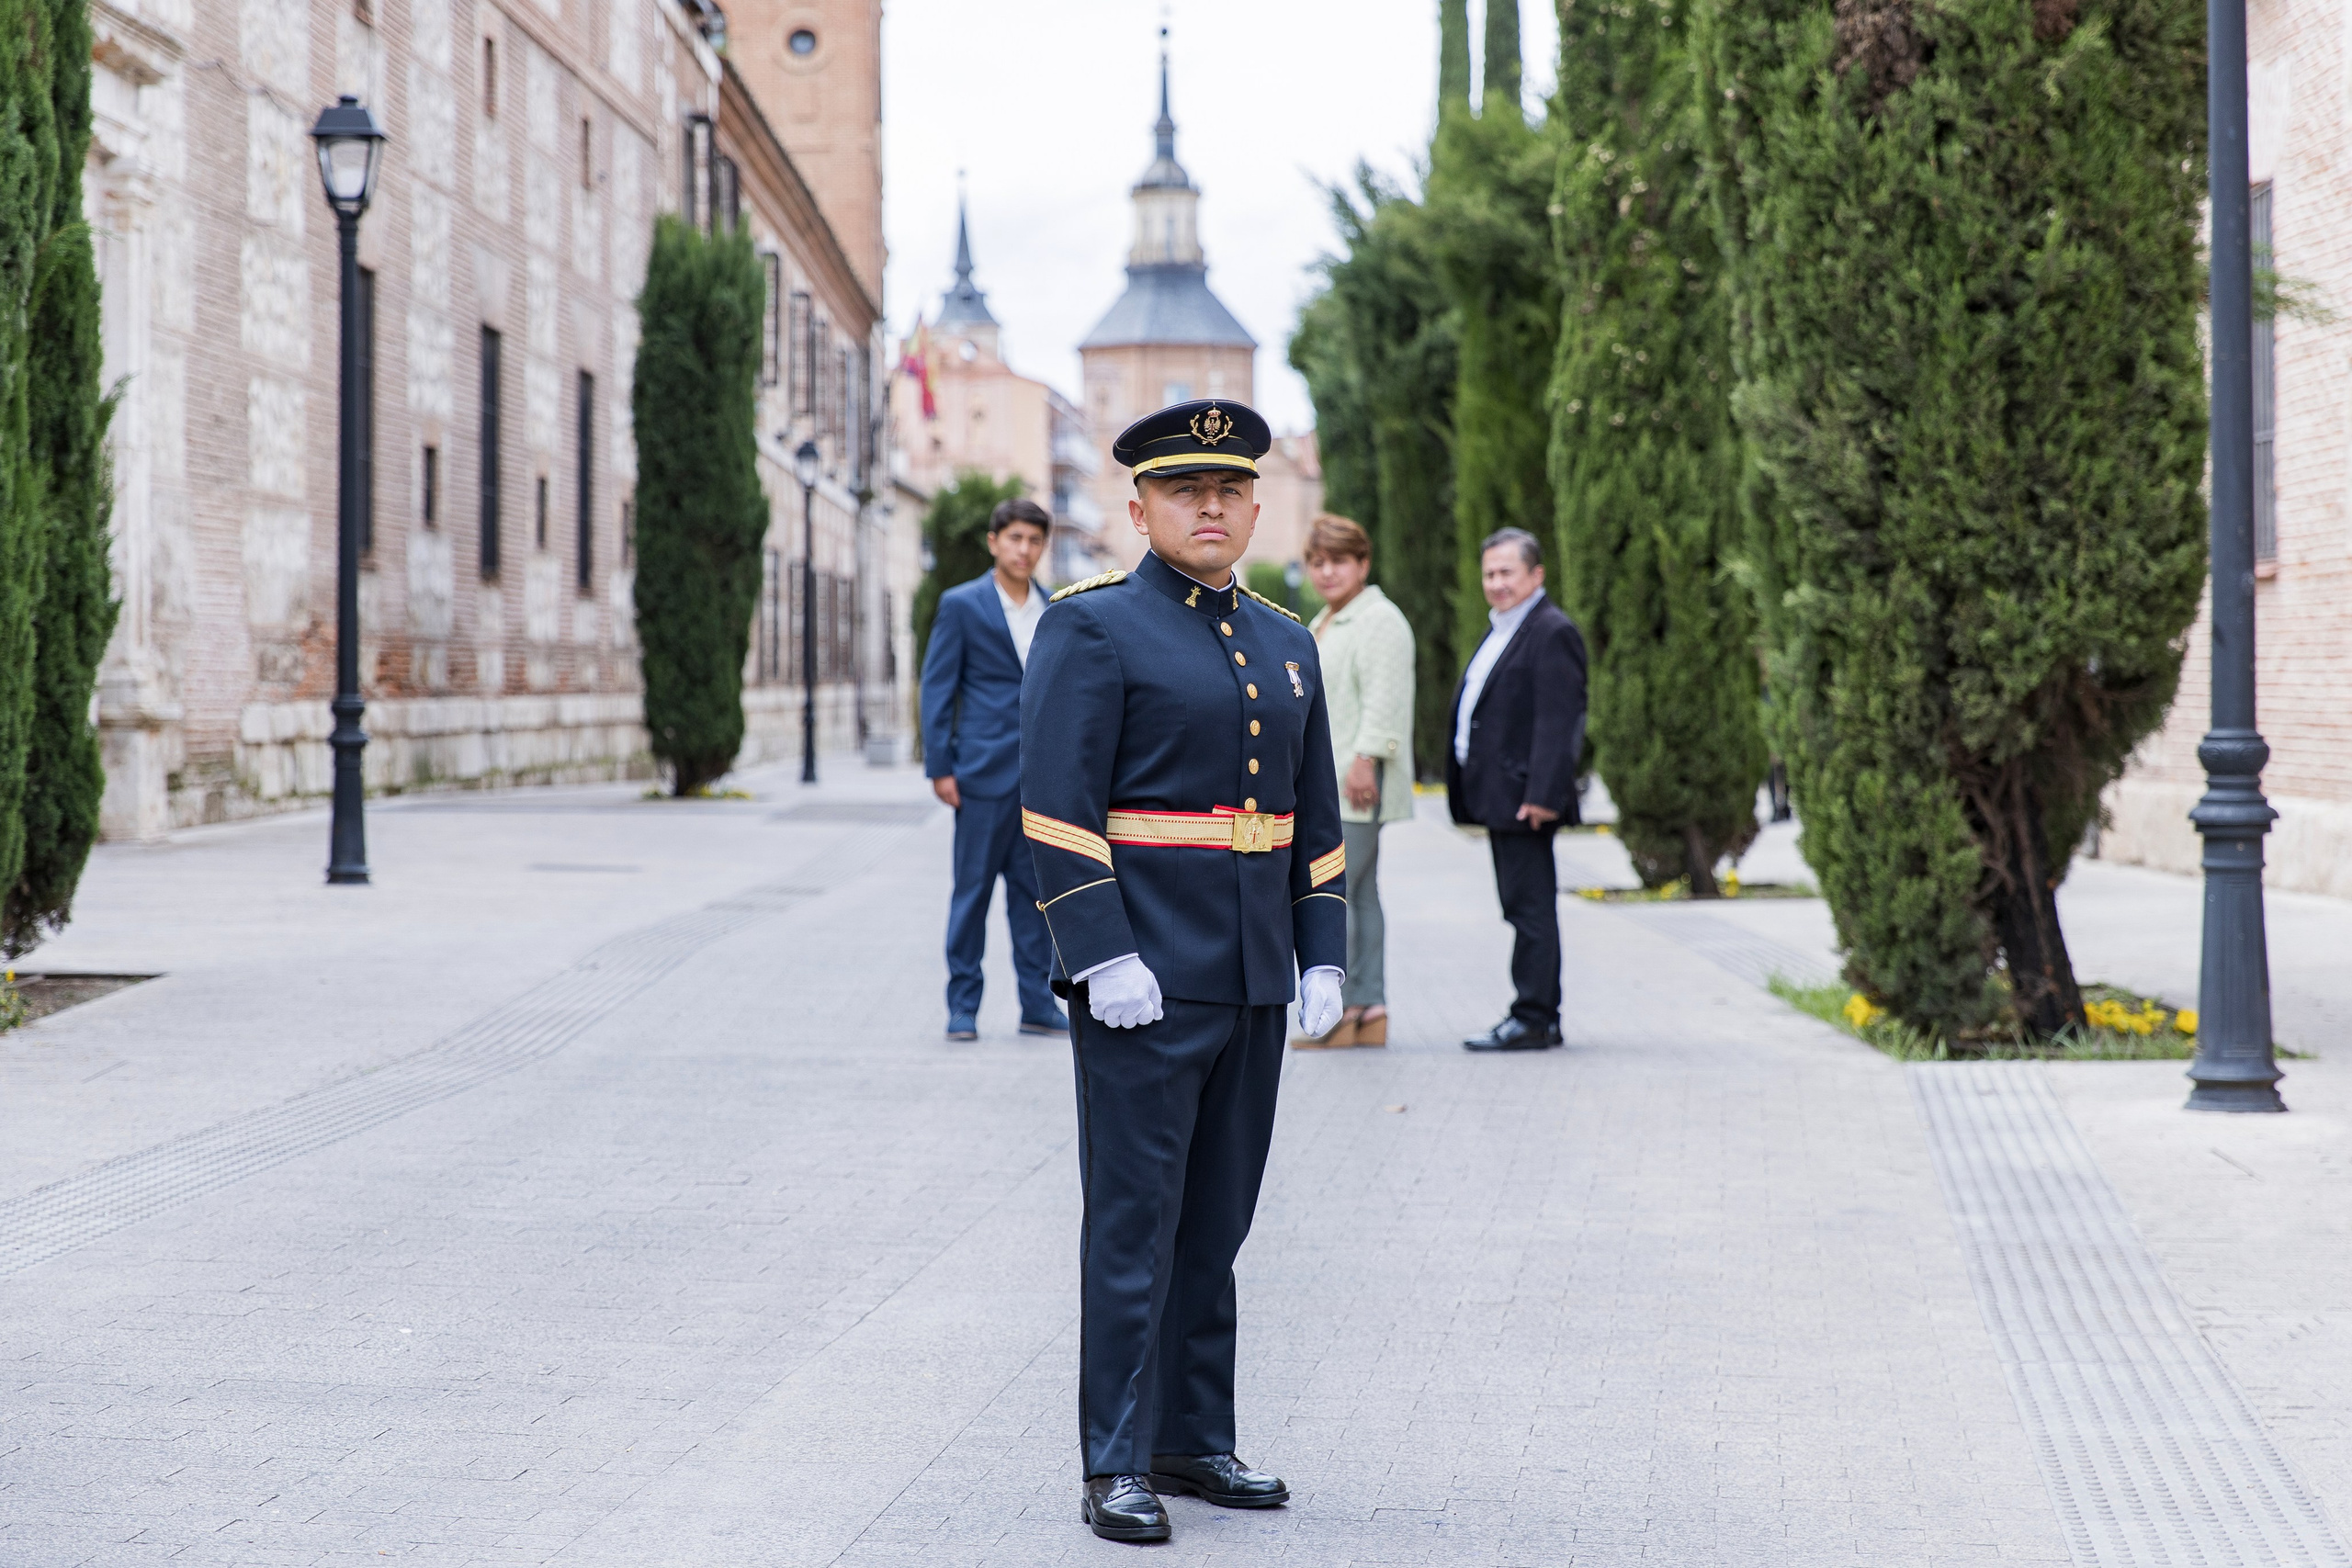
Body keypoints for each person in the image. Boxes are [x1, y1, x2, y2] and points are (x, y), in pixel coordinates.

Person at [1020, 400, 1346, 1544]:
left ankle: (1194, 1437)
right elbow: (1056, 811)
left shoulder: (1284, 638)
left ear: (1255, 505)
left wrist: (1325, 953)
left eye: (1227, 491)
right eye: (1182, 491)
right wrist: (1099, 953)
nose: (1209, 509)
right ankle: (1113, 1458)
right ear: (1140, 508)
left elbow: (1314, 818)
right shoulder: (1092, 629)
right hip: (1144, 981)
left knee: (1216, 1224)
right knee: (1132, 1225)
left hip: (1255, 976)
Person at [919, 497, 1068, 1043]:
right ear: (994, 542)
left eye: (1034, 541)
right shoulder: (962, 604)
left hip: (1039, 782)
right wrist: (940, 766)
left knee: (1036, 900)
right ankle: (963, 1007)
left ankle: (1036, 1005)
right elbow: (937, 687)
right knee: (971, 895)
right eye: (1015, 539)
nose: (1024, 550)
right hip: (979, 777)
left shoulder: (1055, 607)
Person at [1446, 526, 1589, 1053]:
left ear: (1536, 575)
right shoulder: (1505, 628)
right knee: (1520, 907)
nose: (1497, 583)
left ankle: (1534, 1017)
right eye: (1489, 573)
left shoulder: (1550, 631)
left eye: (1507, 572)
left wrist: (1544, 794)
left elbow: (1560, 720)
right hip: (1503, 796)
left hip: (1527, 800)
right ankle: (1537, 1014)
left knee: (1529, 911)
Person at [1294, 514, 1414, 1049]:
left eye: (1338, 561)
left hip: (1353, 782)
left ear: (1363, 564)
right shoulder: (1330, 619)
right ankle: (1369, 1008)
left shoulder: (1378, 619)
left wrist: (1367, 759)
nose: (1326, 572)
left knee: (1331, 893)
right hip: (1333, 781)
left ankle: (1341, 1014)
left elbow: (1384, 696)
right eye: (1317, 563)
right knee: (1360, 894)